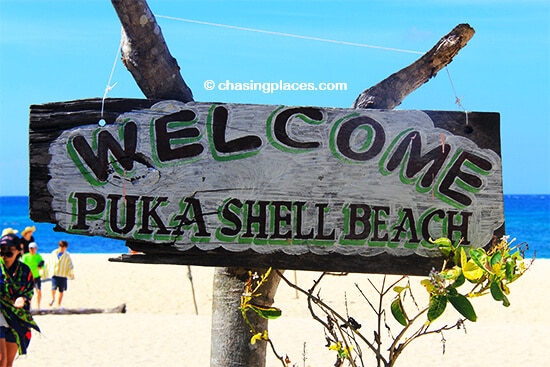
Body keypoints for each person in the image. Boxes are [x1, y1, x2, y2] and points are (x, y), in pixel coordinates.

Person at [0, 234, 40, 366]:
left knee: (8, 363)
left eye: (9, 252)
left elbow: (29, 290)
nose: (4, 256)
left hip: (16, 319)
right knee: (1, 359)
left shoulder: (24, 270)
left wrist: (23, 298)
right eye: (1, 250)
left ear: (18, 251)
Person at [48, 240, 74, 308]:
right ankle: (52, 298)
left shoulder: (67, 255)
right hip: (55, 273)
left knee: (61, 290)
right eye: (61, 246)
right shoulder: (54, 253)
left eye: (64, 247)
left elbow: (70, 264)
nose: (62, 248)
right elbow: (50, 262)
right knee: (53, 288)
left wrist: (71, 273)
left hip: (63, 274)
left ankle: (58, 304)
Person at [21, 243, 44, 310]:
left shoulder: (38, 256)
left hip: (36, 276)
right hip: (27, 277)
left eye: (33, 248)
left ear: (36, 249)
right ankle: (29, 306)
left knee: (39, 291)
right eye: (30, 248)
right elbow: (22, 266)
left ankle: (38, 306)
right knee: (28, 292)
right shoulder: (25, 256)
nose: (32, 250)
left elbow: (42, 265)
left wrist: (40, 266)